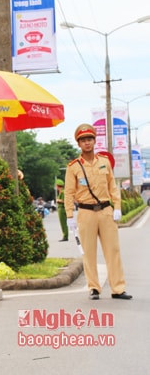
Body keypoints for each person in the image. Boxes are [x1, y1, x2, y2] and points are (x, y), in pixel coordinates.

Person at [65, 124, 132, 301]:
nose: (87, 143)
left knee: (113, 250)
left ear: (95, 141)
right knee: (89, 251)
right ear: (79, 144)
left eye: (89, 139)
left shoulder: (105, 162)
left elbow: (113, 187)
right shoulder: (73, 167)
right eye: (83, 140)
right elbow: (69, 192)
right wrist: (69, 215)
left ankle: (118, 288)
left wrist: (117, 207)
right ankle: (94, 287)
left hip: (105, 211)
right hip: (86, 213)